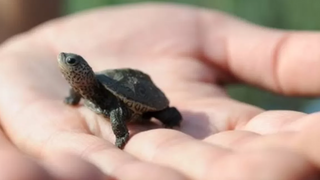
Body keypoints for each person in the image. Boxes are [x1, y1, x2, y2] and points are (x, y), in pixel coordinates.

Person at [0, 3, 319, 180]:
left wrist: (120, 134)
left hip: (140, 100)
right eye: (66, 63)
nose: (66, 64)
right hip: (104, 90)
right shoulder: (85, 88)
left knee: (165, 116)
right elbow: (87, 96)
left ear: (83, 69)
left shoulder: (101, 88)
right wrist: (71, 97)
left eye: (71, 62)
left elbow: (116, 110)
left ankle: (171, 115)